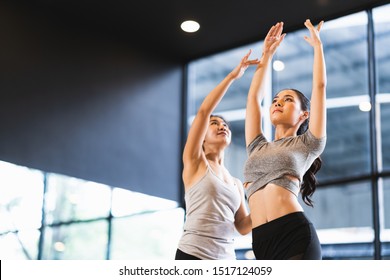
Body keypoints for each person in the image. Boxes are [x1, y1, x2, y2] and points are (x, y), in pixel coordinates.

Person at [243, 20, 327, 259]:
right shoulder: (257, 146)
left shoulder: (308, 144)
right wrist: (266, 55)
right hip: (261, 242)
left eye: (288, 99)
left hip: (294, 235)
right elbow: (253, 100)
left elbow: (319, 87)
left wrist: (318, 48)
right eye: (276, 99)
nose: (278, 102)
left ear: (304, 114)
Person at [175, 50, 257, 260]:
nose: (222, 126)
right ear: (201, 137)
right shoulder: (194, 161)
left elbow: (243, 226)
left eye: (225, 124)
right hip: (193, 254)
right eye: (215, 124)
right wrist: (232, 77)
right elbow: (204, 111)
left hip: (226, 260)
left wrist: (265, 199)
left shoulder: (236, 183)